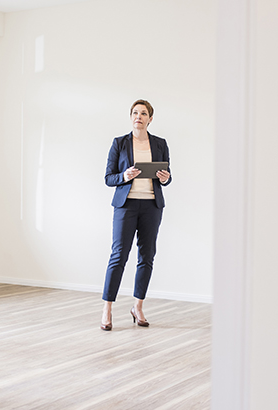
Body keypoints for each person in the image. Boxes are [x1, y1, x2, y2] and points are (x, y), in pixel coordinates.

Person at [100, 99, 171, 331]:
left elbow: (167, 176)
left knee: (147, 256)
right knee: (119, 256)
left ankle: (138, 306)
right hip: (126, 207)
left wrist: (164, 178)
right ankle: (107, 309)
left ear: (150, 119)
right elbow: (109, 178)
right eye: (134, 112)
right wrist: (125, 176)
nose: (138, 116)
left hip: (151, 206)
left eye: (143, 113)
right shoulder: (119, 143)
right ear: (130, 117)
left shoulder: (160, 144)